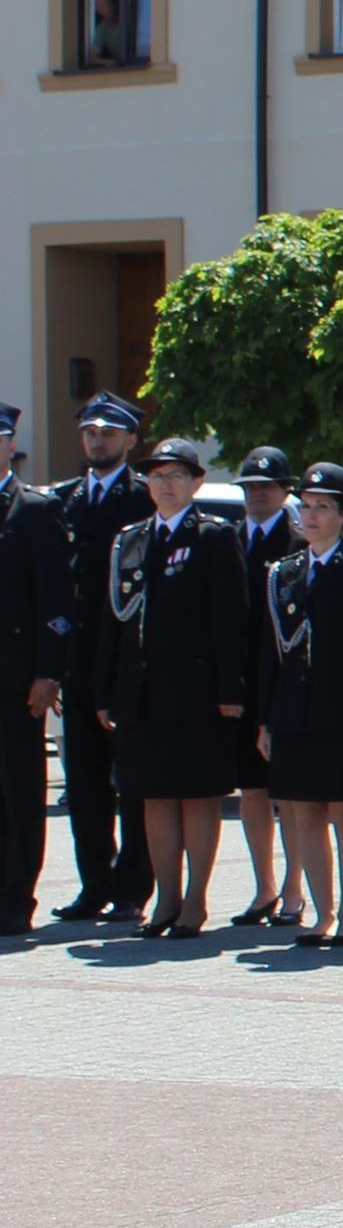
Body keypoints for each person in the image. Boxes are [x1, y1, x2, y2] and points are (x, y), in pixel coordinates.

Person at [100, 438, 246, 936]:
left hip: (197, 692)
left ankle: (195, 900)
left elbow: (231, 619)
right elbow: (113, 623)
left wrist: (231, 688)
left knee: (197, 796)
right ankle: (165, 897)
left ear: (197, 482)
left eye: (177, 475)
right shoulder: (131, 540)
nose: (165, 484)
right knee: (153, 796)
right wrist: (106, 690)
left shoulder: (213, 537)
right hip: (142, 693)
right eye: (157, 475)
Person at [255, 463, 343, 948]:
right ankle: (323, 912)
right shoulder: (284, 572)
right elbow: (271, 652)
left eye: (323, 507)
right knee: (302, 813)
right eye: (306, 506)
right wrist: (266, 719)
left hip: (342, 713)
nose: (311, 516)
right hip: (293, 712)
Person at [51, 393, 152, 922]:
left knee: (132, 781)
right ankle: (94, 884)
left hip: (131, 665)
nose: (98, 439)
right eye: (90, 431)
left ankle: (133, 888)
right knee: (85, 782)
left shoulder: (145, 501)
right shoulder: (62, 502)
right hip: (79, 663)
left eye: (109, 432)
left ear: (131, 440)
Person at [0, 405, 73, 936]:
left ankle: (14, 895)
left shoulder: (34, 511)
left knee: (19, 789)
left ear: (10, 445)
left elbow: (56, 601)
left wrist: (49, 671)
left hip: (16, 677)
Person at [227, 445, 302, 928]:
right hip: (240, 685)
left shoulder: (298, 544)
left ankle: (296, 889)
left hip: (286, 684)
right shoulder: (227, 540)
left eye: (266, 488)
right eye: (250, 489)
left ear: (284, 493)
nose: (257, 496)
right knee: (251, 791)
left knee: (290, 793)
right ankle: (264, 889)